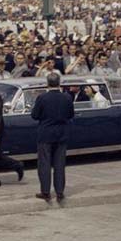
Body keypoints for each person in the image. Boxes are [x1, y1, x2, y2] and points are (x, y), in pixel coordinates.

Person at [30, 72, 74, 202]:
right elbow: (70, 114)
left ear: (47, 83)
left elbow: (35, 115)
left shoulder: (42, 98)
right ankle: (59, 191)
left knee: (44, 164)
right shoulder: (67, 97)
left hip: (46, 133)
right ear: (59, 83)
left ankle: (45, 191)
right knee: (60, 164)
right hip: (61, 133)